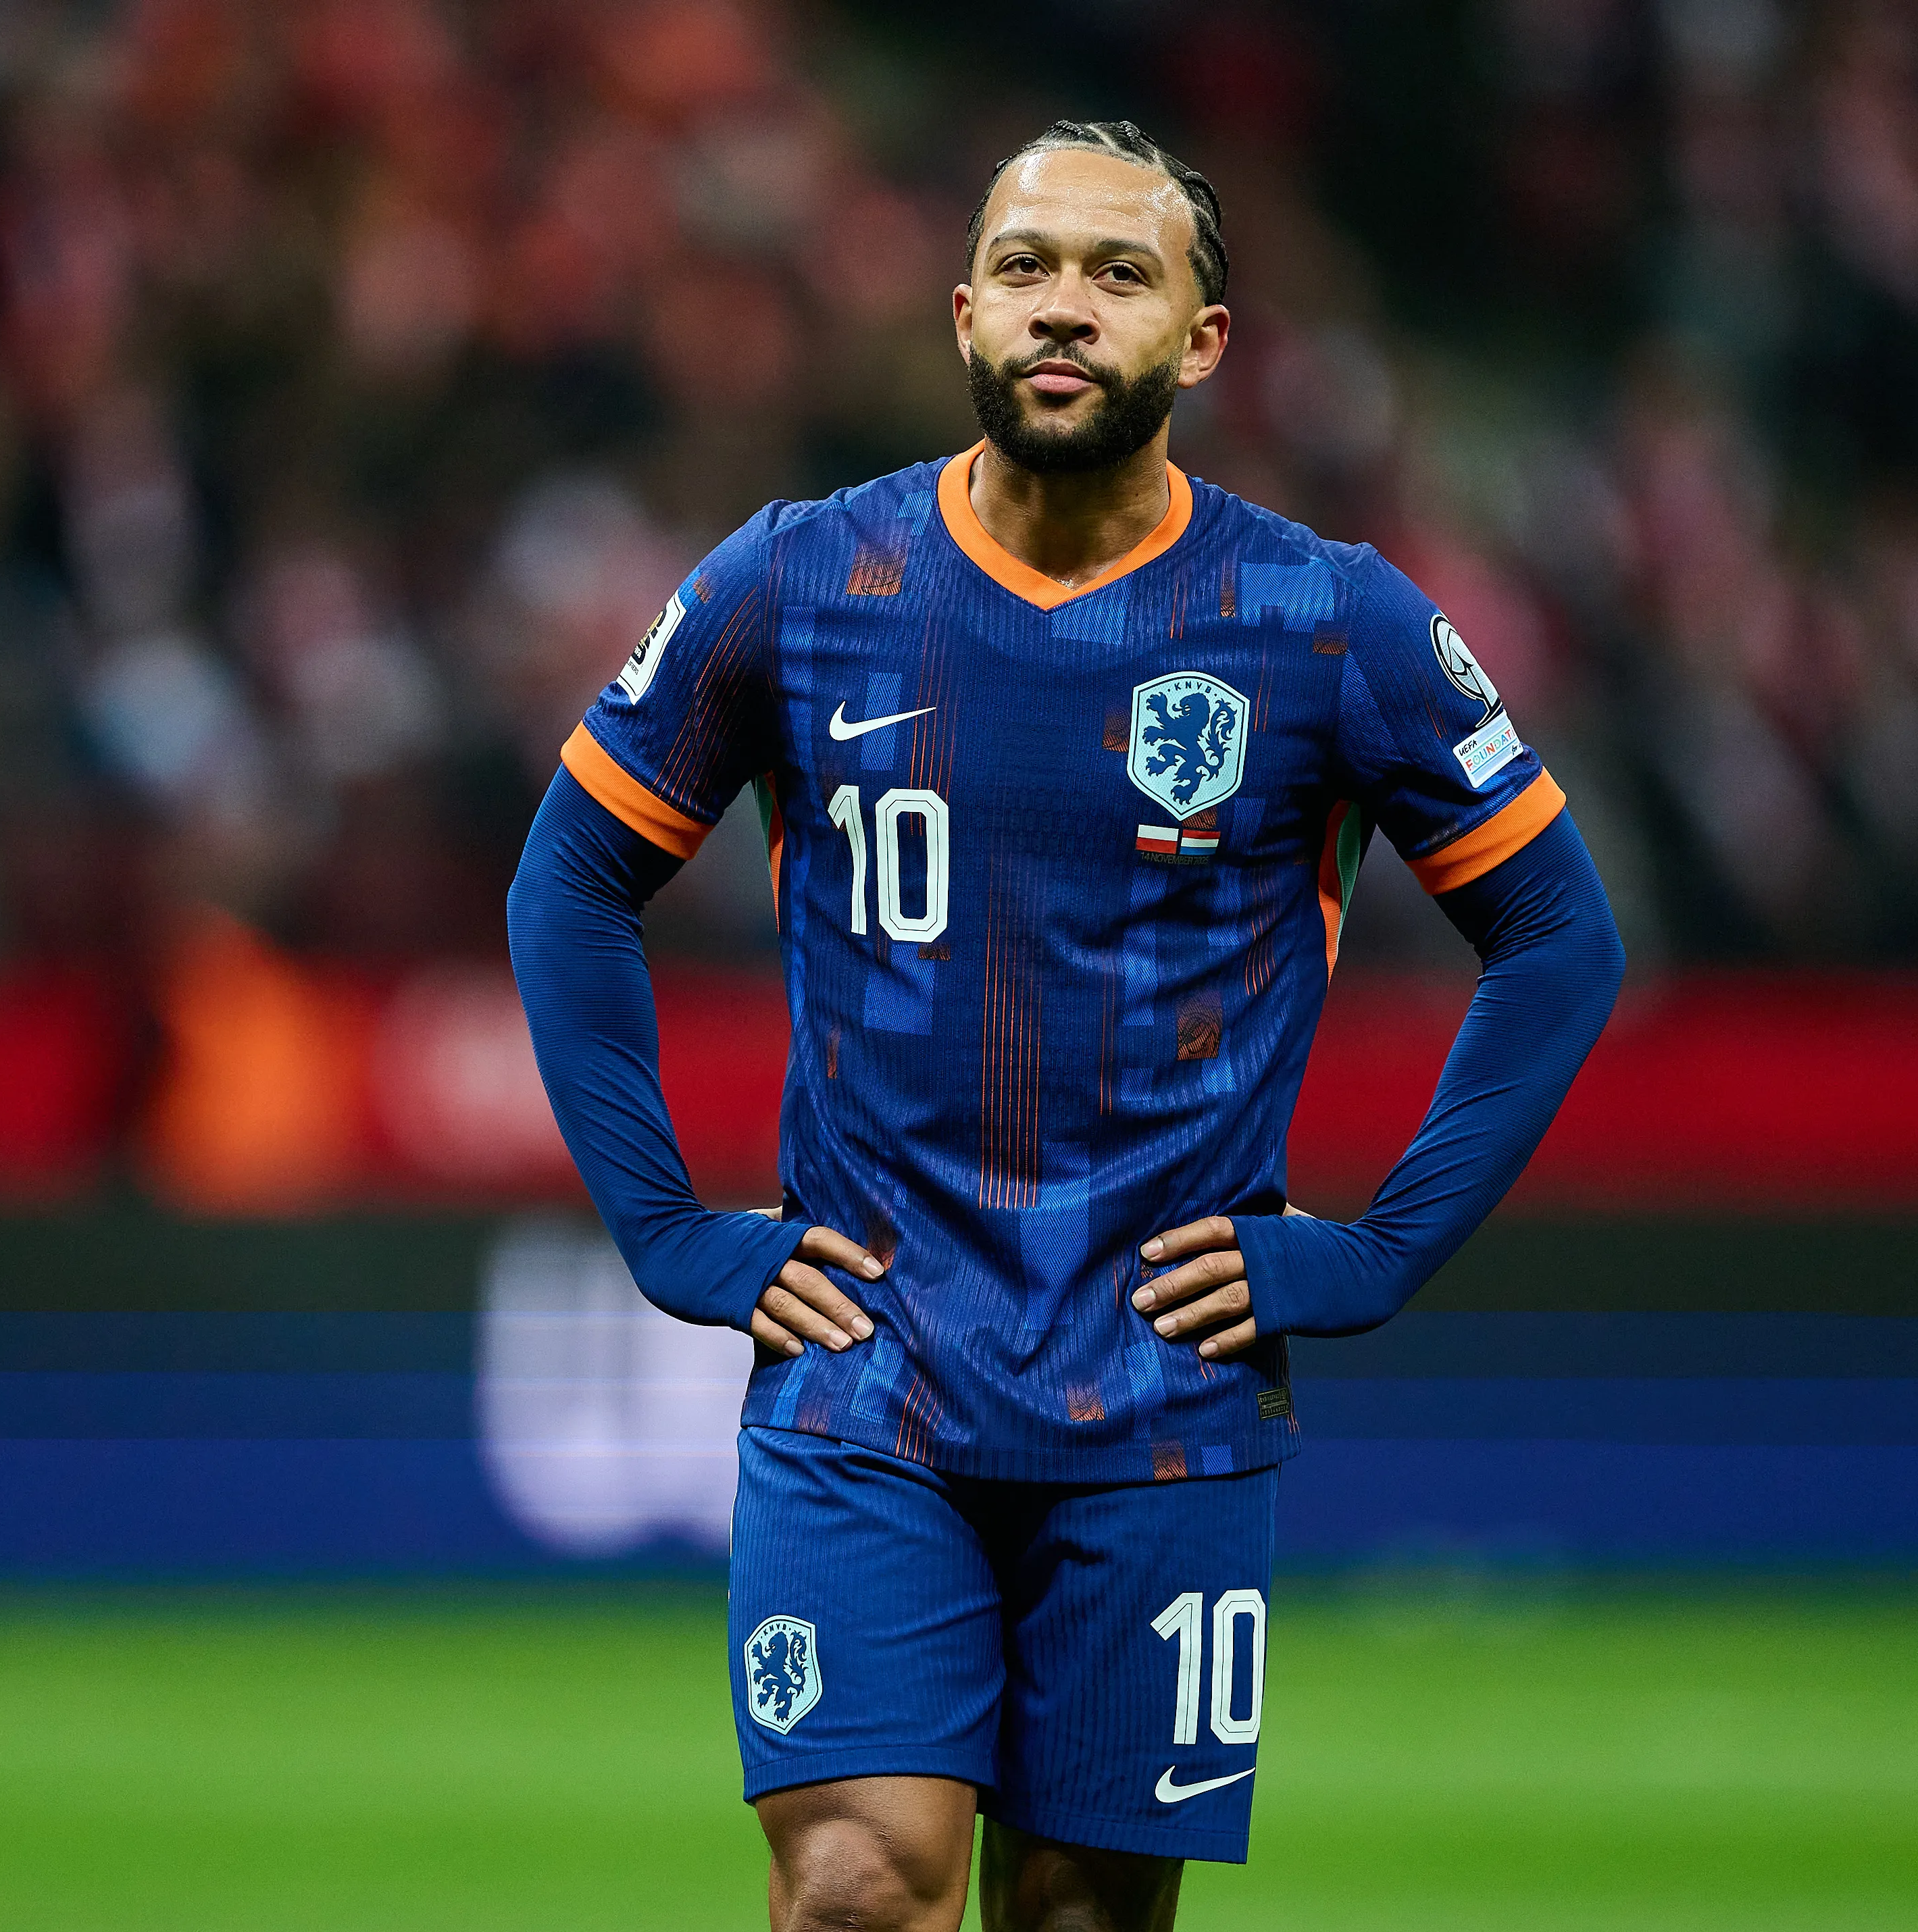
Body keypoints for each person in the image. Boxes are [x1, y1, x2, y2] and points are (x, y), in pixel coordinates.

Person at [507, 120, 1622, 1931]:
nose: (1064, 308)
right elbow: (567, 885)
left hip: (1166, 1384)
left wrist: (1383, 1251)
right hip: (870, 1360)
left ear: (1202, 342)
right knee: (860, 1885)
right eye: (1028, 268)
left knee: (1083, 1916)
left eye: (1120, 275)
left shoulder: (1327, 623)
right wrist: (663, 1227)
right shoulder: (798, 584)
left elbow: (1557, 938)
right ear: (963, 313)